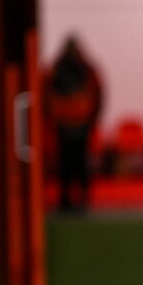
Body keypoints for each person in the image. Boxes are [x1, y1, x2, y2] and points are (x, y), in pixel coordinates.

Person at [44, 36, 103, 212]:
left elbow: (46, 96)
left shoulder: (57, 68)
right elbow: (97, 95)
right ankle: (79, 198)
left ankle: (68, 198)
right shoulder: (85, 68)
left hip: (67, 123)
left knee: (69, 163)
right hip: (78, 122)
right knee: (77, 163)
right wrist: (92, 119)